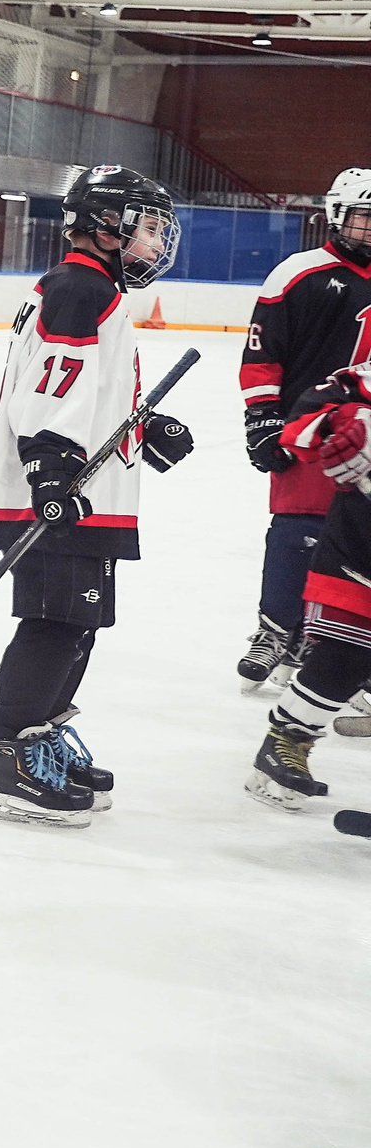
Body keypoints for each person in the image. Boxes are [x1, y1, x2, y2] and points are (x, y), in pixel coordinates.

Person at [0, 165, 195, 827]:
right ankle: (7, 761)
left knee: (77, 625)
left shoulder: (92, 289)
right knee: (53, 623)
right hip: (60, 494)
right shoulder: (79, 289)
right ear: (106, 226)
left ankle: (39, 743)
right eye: (148, 228)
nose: (156, 244)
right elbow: (46, 389)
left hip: (84, 493)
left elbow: (85, 390)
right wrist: (49, 471)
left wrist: (141, 425)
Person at [236, 168, 371, 697]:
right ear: (337, 215)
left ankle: (330, 643)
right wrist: (263, 419)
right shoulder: (298, 273)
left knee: (357, 543)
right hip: (305, 429)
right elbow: (262, 354)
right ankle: (275, 629)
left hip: (366, 431)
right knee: (295, 534)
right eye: (364, 217)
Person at [246, 361, 371, 810]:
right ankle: (286, 742)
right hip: (361, 548)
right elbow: (306, 418)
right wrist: (348, 421)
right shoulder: (361, 380)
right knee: (346, 658)